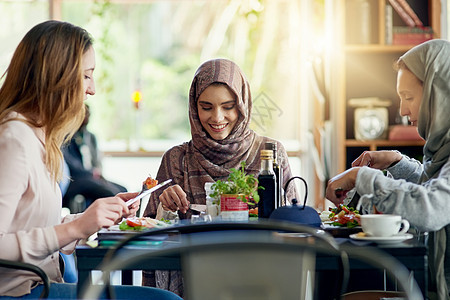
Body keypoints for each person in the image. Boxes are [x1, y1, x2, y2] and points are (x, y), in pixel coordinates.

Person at [0, 20, 181, 300]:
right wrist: (74, 228)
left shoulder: (38, 137)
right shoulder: (14, 140)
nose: (92, 89)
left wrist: (90, 219)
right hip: (21, 293)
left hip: (42, 283)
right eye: (86, 76)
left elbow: (27, 226)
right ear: (56, 77)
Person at [142, 58, 297, 296]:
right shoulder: (176, 159)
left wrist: (272, 205)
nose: (217, 117)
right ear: (194, 108)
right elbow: (148, 235)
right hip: (190, 285)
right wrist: (166, 207)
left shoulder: (270, 154)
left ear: (242, 105)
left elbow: (294, 228)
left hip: (260, 281)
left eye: (228, 107)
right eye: (206, 107)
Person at [325, 39, 450, 300]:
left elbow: (432, 208)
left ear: (439, 93)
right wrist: (396, 162)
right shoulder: (443, 148)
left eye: (409, 98)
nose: (403, 110)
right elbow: (435, 187)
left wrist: (362, 177)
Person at [62, 103, 127, 212]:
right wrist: (90, 172)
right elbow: (69, 162)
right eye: (84, 114)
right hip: (77, 179)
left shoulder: (90, 136)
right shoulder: (66, 135)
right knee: (109, 193)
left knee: (123, 190)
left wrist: (97, 171)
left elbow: (97, 159)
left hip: (93, 176)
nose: (87, 117)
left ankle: (130, 223)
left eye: (89, 114)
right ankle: (110, 225)